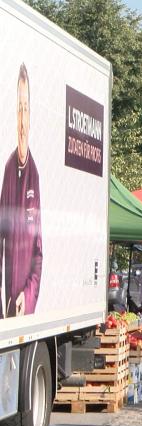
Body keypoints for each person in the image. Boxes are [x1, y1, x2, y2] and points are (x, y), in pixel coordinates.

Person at [0, 63, 42, 319]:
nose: (22, 117)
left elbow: (38, 253)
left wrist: (27, 294)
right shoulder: (7, 170)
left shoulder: (33, 176)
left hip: (21, 305)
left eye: (26, 109)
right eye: (19, 108)